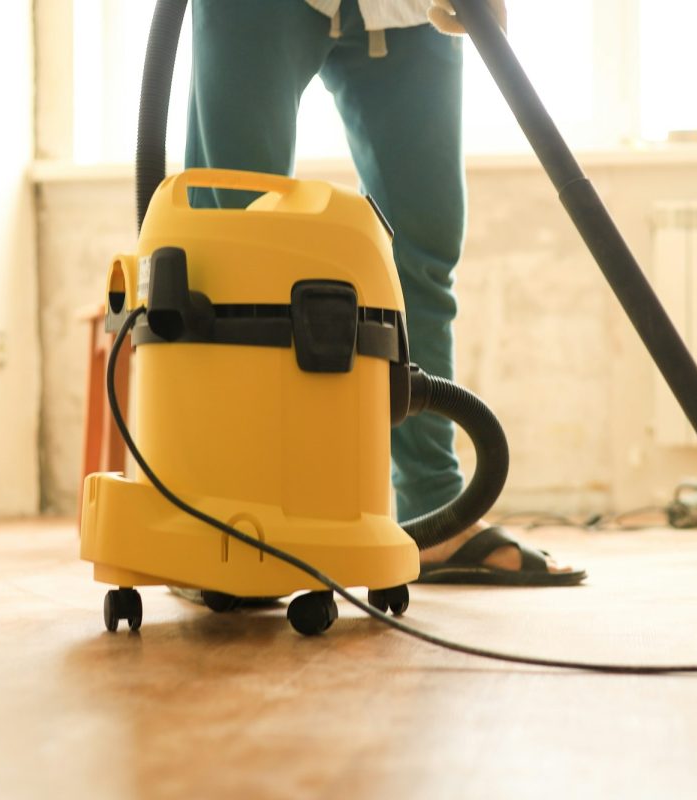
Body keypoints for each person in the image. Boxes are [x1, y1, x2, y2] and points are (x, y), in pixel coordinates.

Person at [186, 0, 585, 586]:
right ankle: (224, 514)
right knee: (237, 234)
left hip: (407, 10)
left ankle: (436, 517)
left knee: (421, 250)